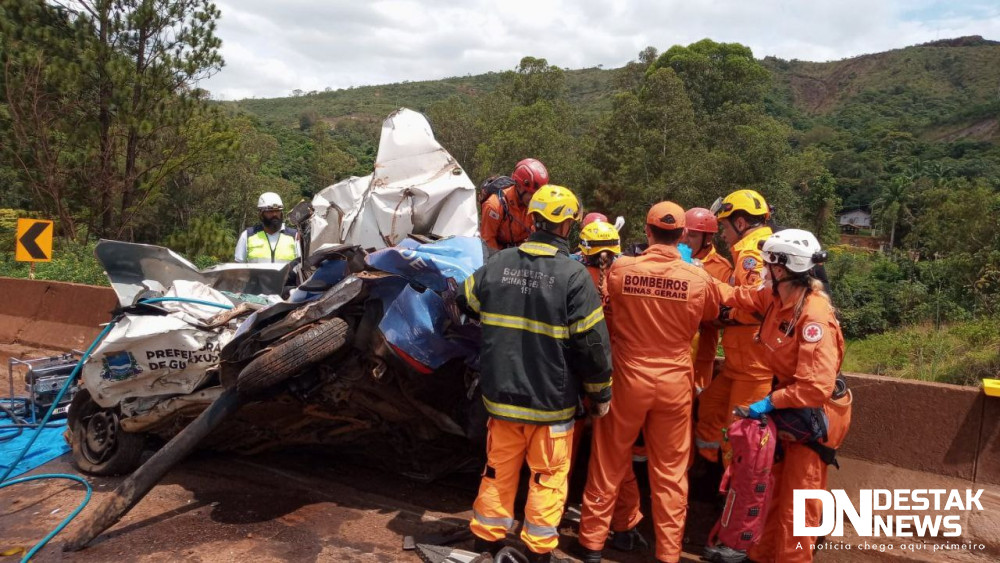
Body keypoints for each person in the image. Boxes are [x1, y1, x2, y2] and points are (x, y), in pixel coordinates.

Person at [460, 185, 613, 563]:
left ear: (532, 220)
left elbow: (466, 301)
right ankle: (538, 551)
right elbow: (592, 346)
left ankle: (486, 544)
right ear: (566, 227)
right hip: (551, 403)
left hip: (502, 398)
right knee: (547, 479)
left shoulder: (497, 264)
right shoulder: (575, 277)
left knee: (497, 472)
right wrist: (601, 393)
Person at [577, 202, 722, 563]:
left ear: (647, 231)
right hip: (674, 382)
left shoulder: (622, 270)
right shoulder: (699, 278)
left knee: (608, 460)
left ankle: (592, 544)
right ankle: (669, 554)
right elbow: (715, 316)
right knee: (671, 475)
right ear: (684, 235)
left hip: (627, 379)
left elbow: (605, 308)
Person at [715, 229, 852, 563]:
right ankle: (761, 555)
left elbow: (815, 386)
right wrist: (690, 274)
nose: (763, 272)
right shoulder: (778, 300)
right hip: (789, 404)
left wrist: (767, 403)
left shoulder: (813, 315)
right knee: (772, 488)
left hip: (816, 412)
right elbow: (740, 296)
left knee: (798, 502)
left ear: (781, 269)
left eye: (767, 266)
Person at [572, 220, 646, 553]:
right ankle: (626, 524)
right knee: (615, 459)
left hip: (573, 378)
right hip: (613, 378)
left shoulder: (573, 278)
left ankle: (549, 514)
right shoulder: (627, 280)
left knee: (562, 457)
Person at [695, 189, 773, 465]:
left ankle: (735, 496)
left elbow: (758, 304)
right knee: (710, 408)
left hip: (754, 366)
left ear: (740, 224)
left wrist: (721, 304)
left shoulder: (753, 252)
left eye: (725, 226)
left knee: (739, 434)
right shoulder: (752, 248)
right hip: (739, 362)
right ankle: (709, 470)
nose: (722, 233)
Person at [681, 207, 733, 391]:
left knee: (697, 404)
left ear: (708, 239)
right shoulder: (673, 259)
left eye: (693, 236)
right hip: (674, 352)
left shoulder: (722, 268)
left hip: (701, 352)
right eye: (684, 234)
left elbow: (726, 313)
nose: (685, 240)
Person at [480, 158, 549, 251]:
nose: (535, 199)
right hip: (499, 254)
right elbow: (488, 241)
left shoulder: (534, 205)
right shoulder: (495, 206)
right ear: (519, 186)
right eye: (531, 194)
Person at [234, 192, 300, 264]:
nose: (274, 214)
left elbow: (301, 266)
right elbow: (238, 267)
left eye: (277, 211)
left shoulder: (295, 236)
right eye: (270, 211)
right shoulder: (247, 235)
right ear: (261, 214)